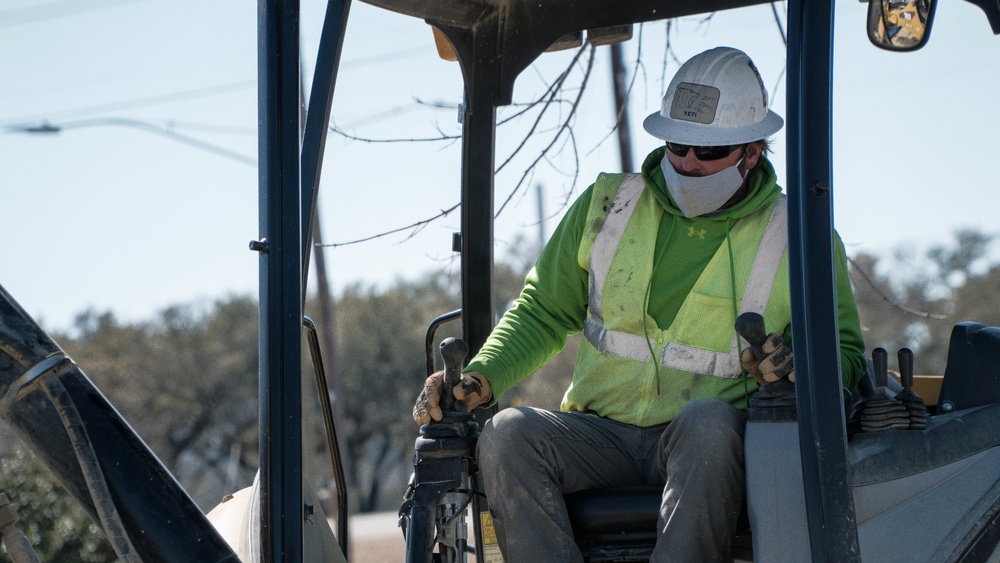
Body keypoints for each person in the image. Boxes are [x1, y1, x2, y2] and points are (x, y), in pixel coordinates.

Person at [413, 46, 867, 562]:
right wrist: (481, 375)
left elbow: (846, 356)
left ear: (753, 152)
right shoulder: (610, 205)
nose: (689, 162)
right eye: (677, 144)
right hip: (599, 433)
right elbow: (542, 310)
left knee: (710, 425)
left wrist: (794, 369)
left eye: (709, 152)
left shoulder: (802, 237)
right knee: (506, 434)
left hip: (704, 444)